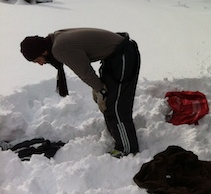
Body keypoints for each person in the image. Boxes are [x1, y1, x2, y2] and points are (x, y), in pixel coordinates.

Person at [20, 28, 141, 158]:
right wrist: (99, 89)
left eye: (37, 60)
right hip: (114, 57)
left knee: (116, 106)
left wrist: (100, 90)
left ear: (43, 52)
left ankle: (127, 149)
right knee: (110, 101)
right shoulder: (54, 39)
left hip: (123, 56)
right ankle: (118, 135)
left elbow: (85, 72)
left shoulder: (59, 48)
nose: (40, 64)